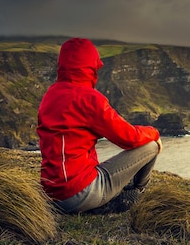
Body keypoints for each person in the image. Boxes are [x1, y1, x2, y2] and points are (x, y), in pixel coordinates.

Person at [37, 37, 162, 214]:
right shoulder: (89, 99)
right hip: (79, 192)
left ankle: (103, 201)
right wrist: (154, 133)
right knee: (151, 146)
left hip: (51, 193)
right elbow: (129, 138)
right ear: (91, 66)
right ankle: (139, 192)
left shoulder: (51, 95)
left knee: (95, 166)